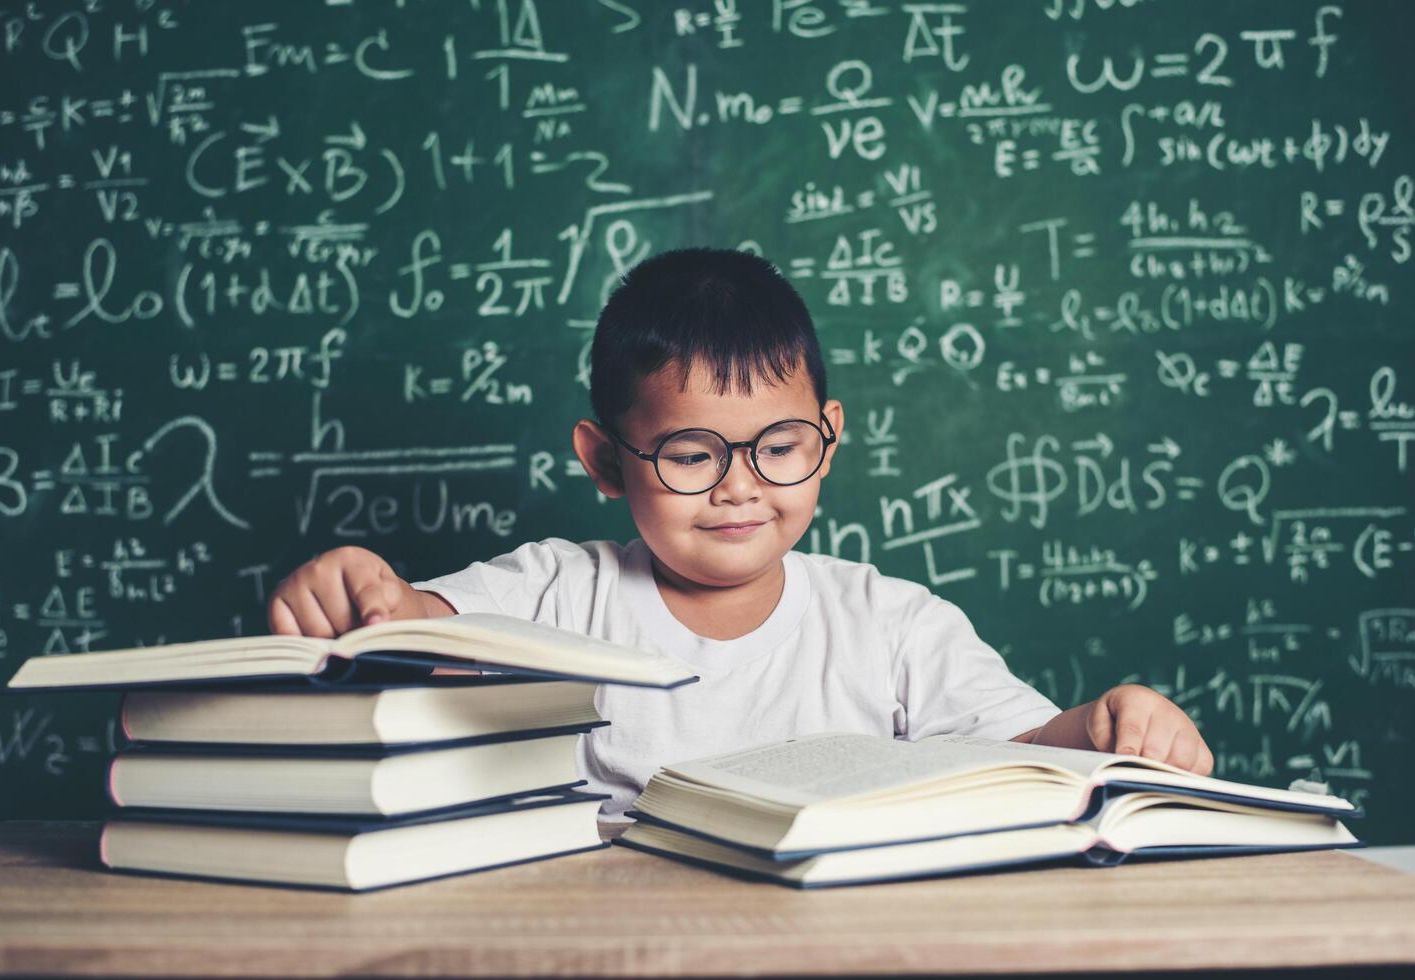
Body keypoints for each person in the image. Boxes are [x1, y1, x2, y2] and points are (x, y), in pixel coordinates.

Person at [269, 247, 1213, 824]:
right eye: (689, 453)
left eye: (779, 447)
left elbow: (1019, 747)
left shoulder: (892, 623)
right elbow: (422, 626)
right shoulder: (556, 588)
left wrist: (1099, 725)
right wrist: (372, 600)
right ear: (604, 461)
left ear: (829, 439)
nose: (739, 487)